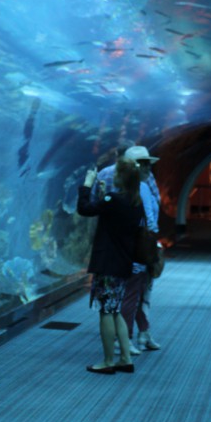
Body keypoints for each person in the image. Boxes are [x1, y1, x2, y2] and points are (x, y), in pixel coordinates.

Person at [77, 157, 146, 374]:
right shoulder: (136, 202)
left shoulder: (113, 199)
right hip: (123, 262)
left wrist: (87, 185)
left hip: (107, 264)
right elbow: (112, 213)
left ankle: (108, 361)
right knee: (115, 311)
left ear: (121, 177)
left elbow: (84, 209)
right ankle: (125, 358)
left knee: (106, 311)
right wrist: (103, 195)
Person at [122, 146, 161, 352]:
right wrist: (153, 244)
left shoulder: (125, 185)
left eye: (148, 163)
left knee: (139, 292)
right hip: (141, 248)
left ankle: (143, 332)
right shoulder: (142, 187)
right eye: (143, 164)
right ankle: (125, 338)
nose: (147, 167)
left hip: (130, 245)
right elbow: (149, 219)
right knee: (134, 294)